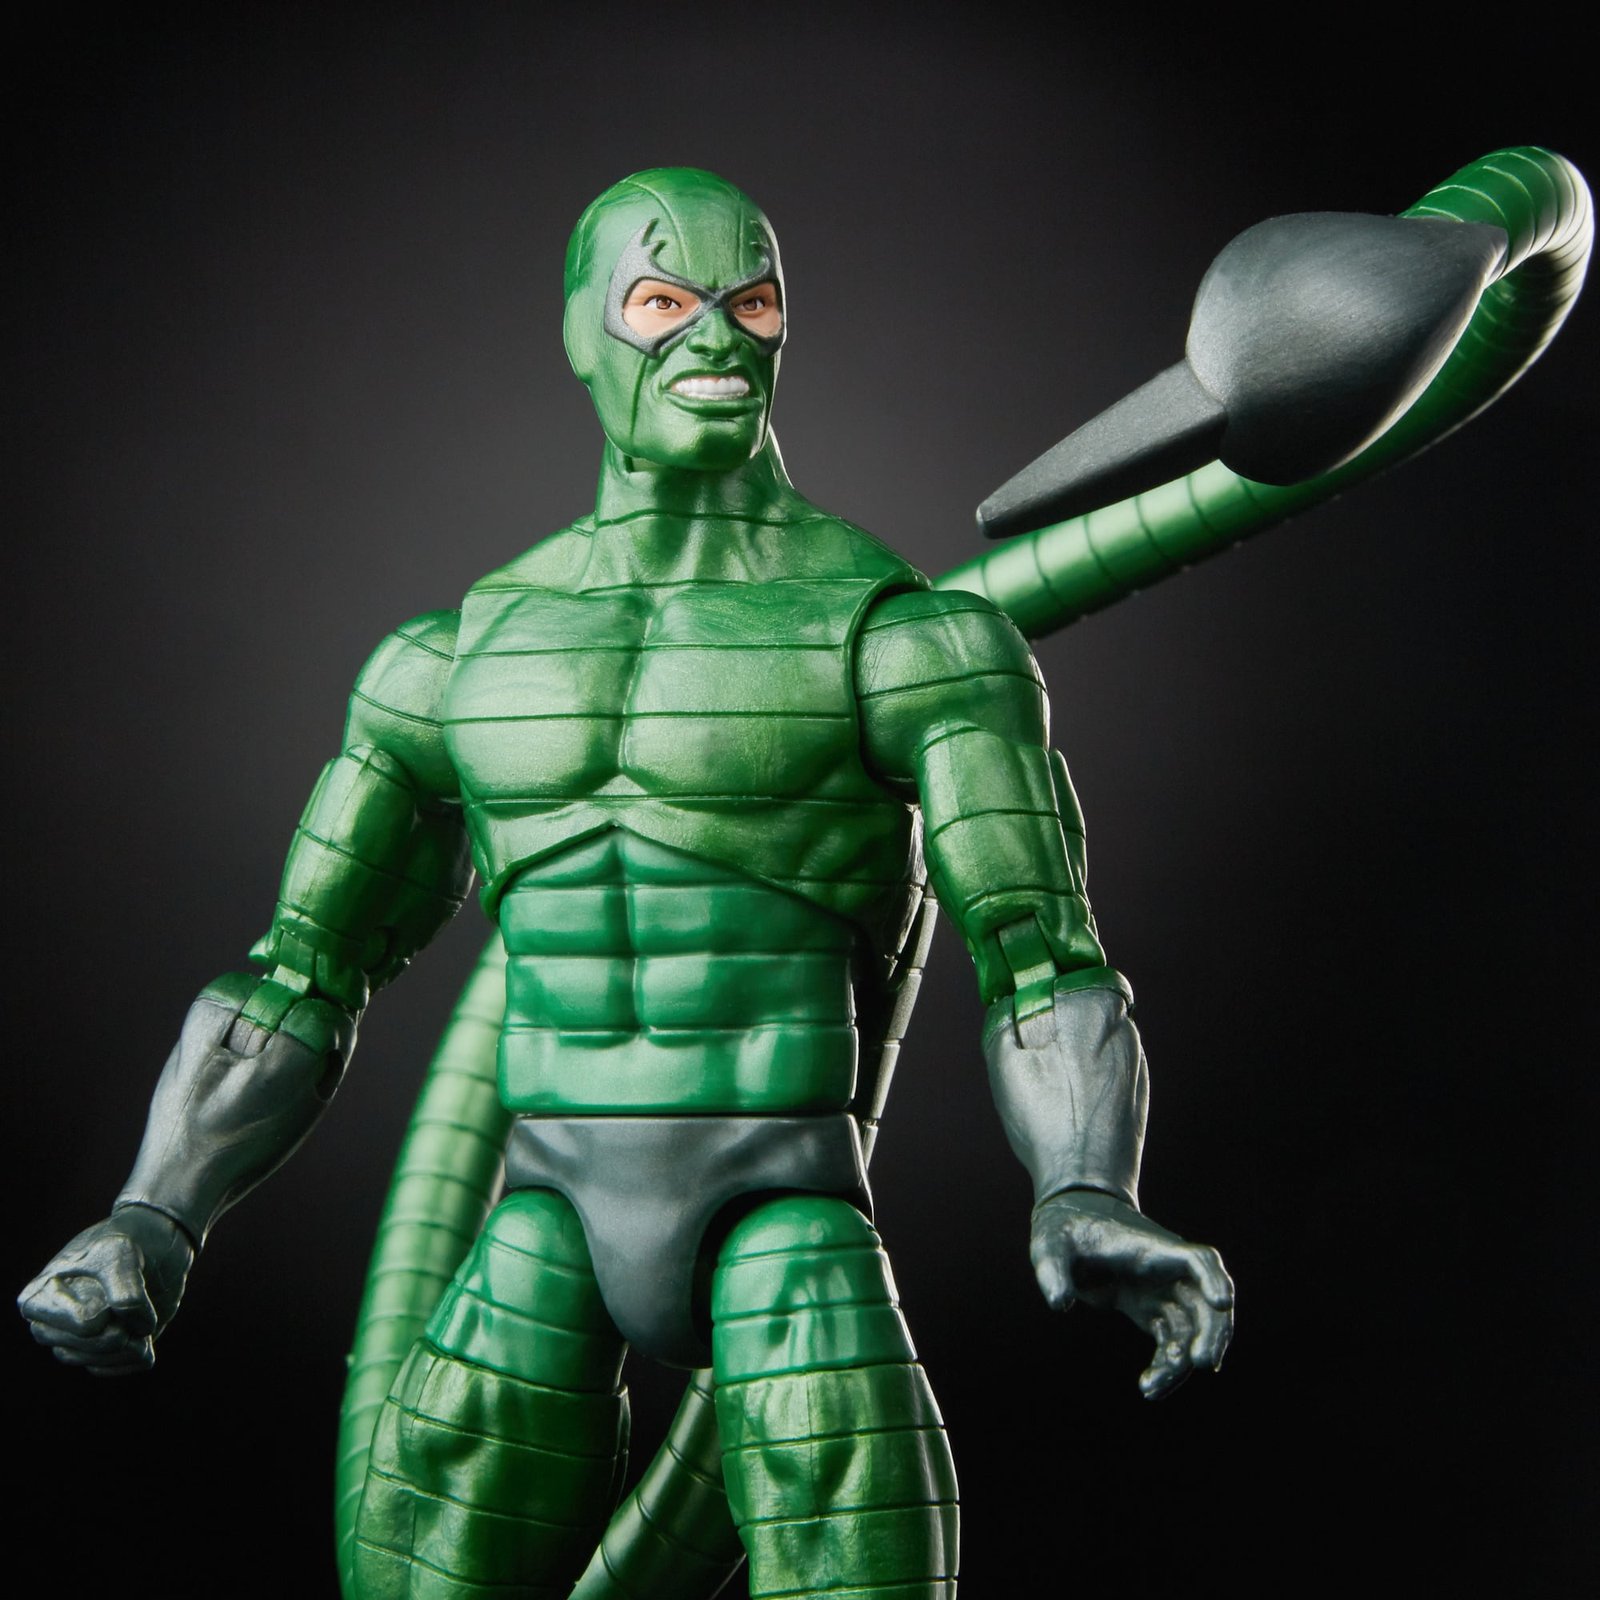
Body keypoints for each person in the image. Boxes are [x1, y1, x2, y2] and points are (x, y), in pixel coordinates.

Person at [21, 167, 1232, 1600]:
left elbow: (1039, 950)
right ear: (582, 333)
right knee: (423, 1553)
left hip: (783, 1209)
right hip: (545, 1209)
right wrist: (154, 1213)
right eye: (663, 302)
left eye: (751, 304)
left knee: (844, 1520)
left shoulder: (902, 638)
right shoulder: (457, 658)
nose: (715, 338)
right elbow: (300, 973)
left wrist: (1086, 1185)